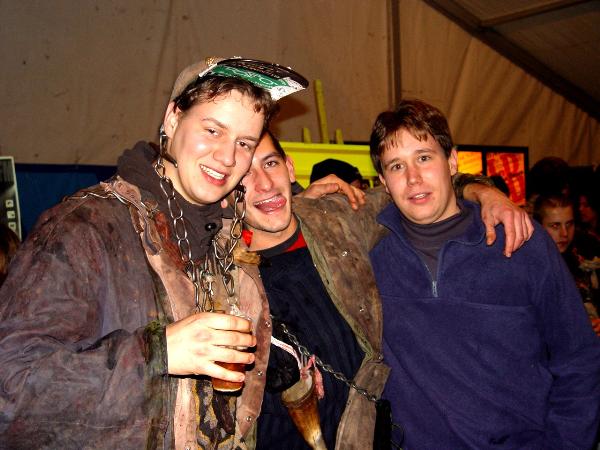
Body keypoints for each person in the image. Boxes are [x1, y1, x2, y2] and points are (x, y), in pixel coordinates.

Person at [0, 57, 308, 449]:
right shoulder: (85, 228)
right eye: (213, 130)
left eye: (244, 143)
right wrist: (158, 352)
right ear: (173, 119)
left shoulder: (225, 237)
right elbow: (11, 386)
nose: (228, 157)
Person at [240, 130, 534, 449]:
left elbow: (416, 188)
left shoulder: (338, 221)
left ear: (289, 167)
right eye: (245, 173)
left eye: (270, 163)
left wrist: (485, 193)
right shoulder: (219, 275)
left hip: (373, 435)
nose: (264, 183)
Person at [369, 99, 600, 449]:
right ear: (384, 182)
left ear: (452, 161)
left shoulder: (520, 241)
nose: (413, 178)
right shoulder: (370, 254)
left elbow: (578, 357)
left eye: (424, 158)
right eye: (397, 166)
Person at [534, 195, 600, 335]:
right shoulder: (530, 265)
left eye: (569, 224)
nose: (564, 233)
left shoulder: (585, 252)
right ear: (538, 227)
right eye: (555, 226)